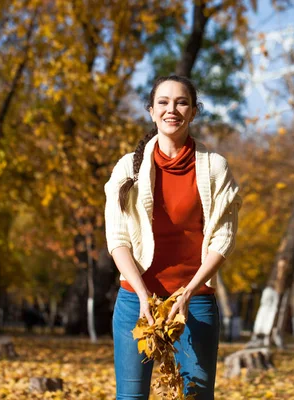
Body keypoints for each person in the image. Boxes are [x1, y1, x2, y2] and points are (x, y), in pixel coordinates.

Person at [104, 75, 241, 399]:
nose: (172, 109)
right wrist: (141, 295)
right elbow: (117, 238)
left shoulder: (215, 168)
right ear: (151, 111)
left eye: (181, 102)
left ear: (193, 111)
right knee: (131, 397)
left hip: (194, 302)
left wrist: (189, 292)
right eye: (163, 102)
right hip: (134, 302)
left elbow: (224, 238)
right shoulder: (128, 168)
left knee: (195, 395)